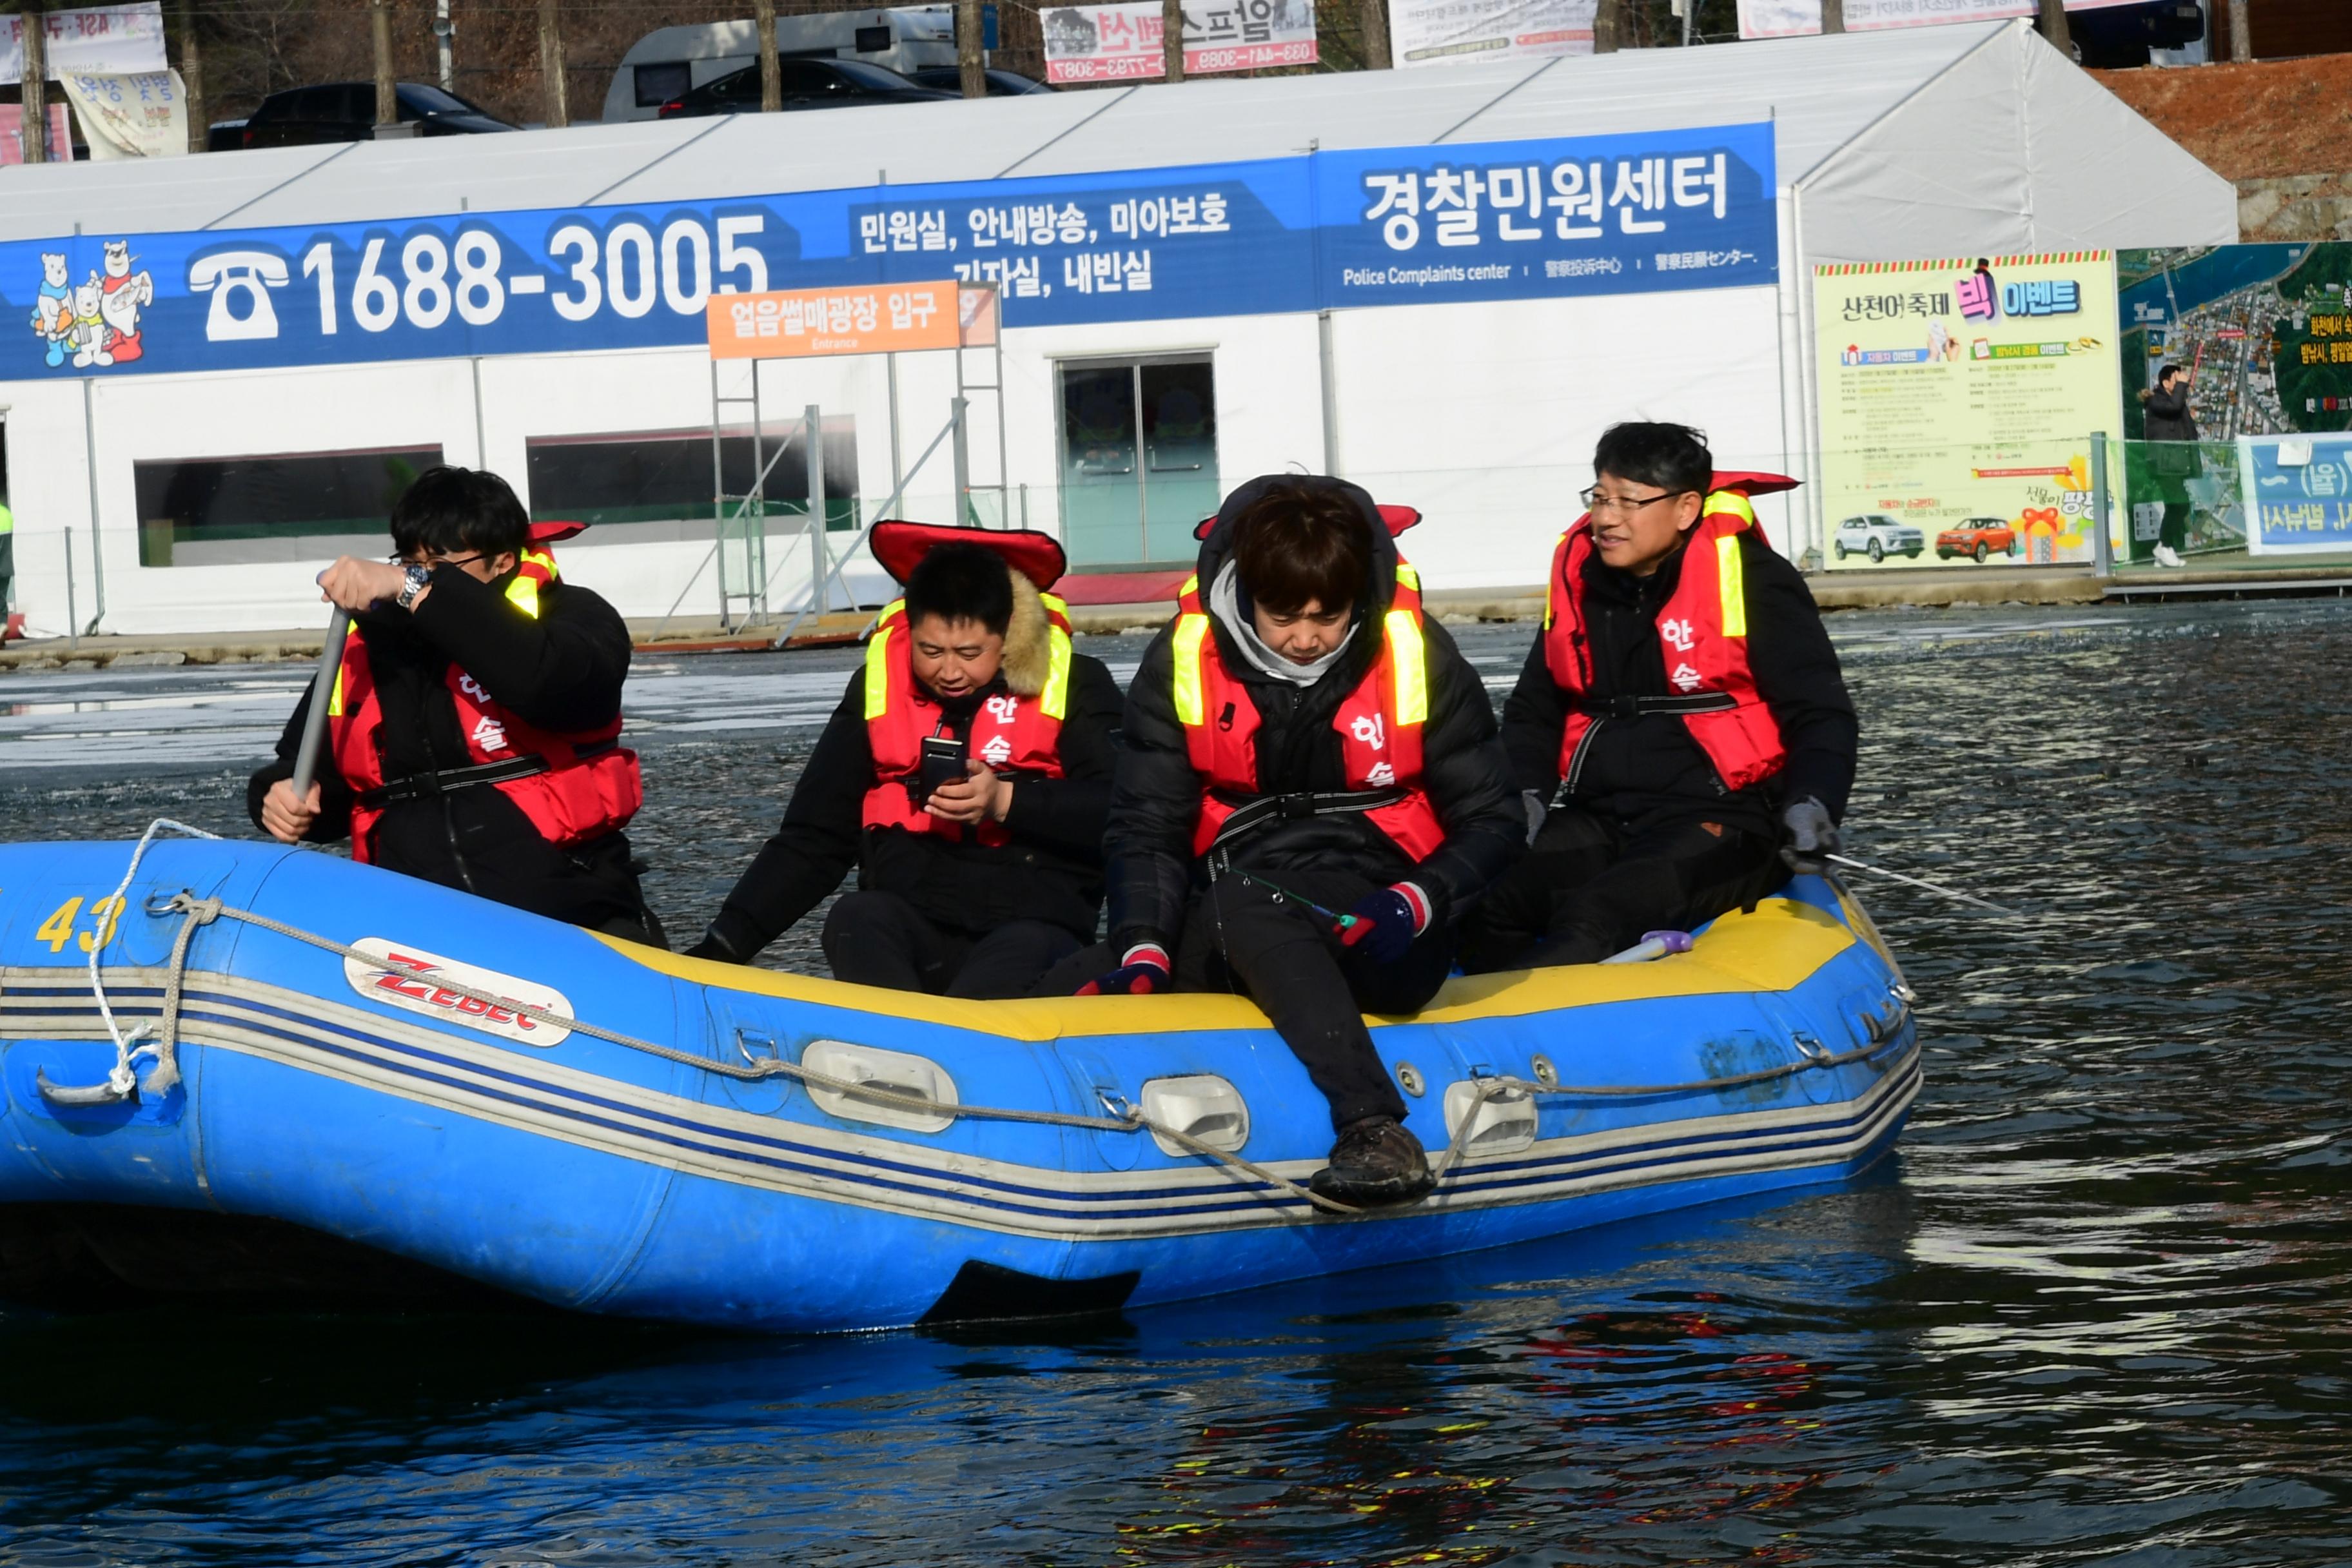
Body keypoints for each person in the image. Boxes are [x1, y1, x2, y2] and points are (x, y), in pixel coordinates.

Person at [1073, 475, 1523, 1207]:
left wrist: (1418, 900)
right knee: (1093, 964)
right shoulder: (1184, 658)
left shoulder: (1414, 651)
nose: (1308, 636)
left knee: (1239, 905)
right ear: (1247, 592)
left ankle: (1376, 1126)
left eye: (1329, 614)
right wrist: (1143, 943)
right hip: (1238, 908)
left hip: (1384, 914)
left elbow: (1496, 816)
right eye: (1285, 614)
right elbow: (1146, 825)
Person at [1458, 422, 1857, 975]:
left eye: (1629, 501)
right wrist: (1521, 800)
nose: (1607, 517)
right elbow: (1534, 714)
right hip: (1600, 815)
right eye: (1599, 497)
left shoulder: (1755, 580)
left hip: (1725, 821)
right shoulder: (1580, 586)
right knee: (1483, 899)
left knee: (1596, 915)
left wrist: (1814, 802)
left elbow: (1820, 713)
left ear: (1686, 507)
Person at [686, 522, 1123, 999]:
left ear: (1007, 636)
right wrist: (722, 947)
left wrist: (1007, 801)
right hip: (916, 922)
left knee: (1008, 967)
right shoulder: (875, 691)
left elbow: (1126, 810)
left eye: (970, 653)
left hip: (1032, 929)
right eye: (931, 651)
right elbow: (813, 840)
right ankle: (898, 1050)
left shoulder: (1079, 684)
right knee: (854, 917)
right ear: (909, 633)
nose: (950, 671)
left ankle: (959, 1046)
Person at [248, 466, 660, 943]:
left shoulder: (574, 620)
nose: (416, 575)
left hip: (569, 911)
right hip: (417, 930)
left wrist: (415, 589)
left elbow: (549, 688)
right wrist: (279, 796)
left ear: (503, 561)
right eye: (408, 560)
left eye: (438, 565)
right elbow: (306, 771)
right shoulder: (367, 650)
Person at [2139, 362, 2199, 569]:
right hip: (2164, 465)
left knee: (2177, 505)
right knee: (2179, 505)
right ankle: (2165, 546)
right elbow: (2173, 408)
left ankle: (2163, 550)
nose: (2183, 380)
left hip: (2174, 464)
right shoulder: (2156, 401)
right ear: (2166, 383)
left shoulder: (2173, 401)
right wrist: (2183, 386)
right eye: (2177, 378)